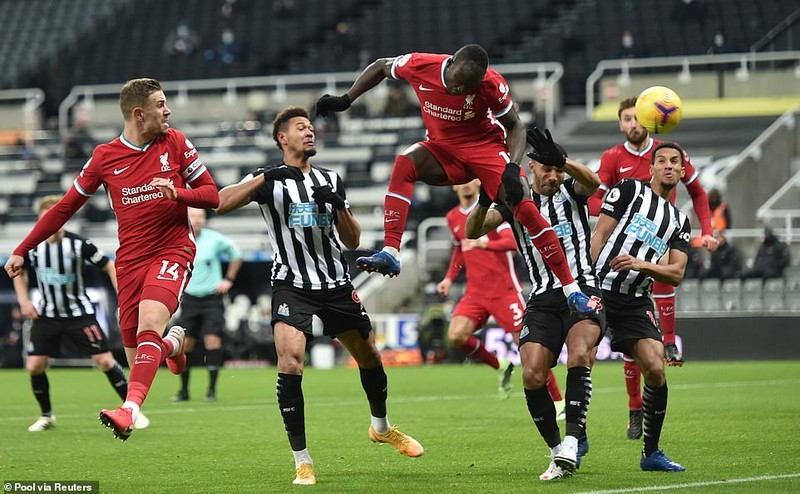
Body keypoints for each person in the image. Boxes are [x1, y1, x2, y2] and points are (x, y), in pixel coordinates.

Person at [215, 106, 423, 486]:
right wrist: (264, 176)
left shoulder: (330, 178)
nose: (310, 132)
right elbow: (220, 202)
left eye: (311, 127)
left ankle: (381, 427)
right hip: (292, 285)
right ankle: (303, 460)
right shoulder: (269, 180)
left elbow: (353, 240)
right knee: (291, 362)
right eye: (300, 128)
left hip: (336, 284)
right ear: (282, 138)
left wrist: (338, 204)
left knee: (370, 356)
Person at [4, 78, 220, 441]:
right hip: (130, 262)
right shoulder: (105, 157)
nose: (168, 111)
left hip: (172, 250)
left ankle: (128, 410)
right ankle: (173, 344)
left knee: (150, 322)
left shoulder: (177, 143)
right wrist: (22, 249)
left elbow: (212, 195)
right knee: (139, 358)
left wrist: (178, 193)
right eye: (161, 104)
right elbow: (63, 209)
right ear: (140, 113)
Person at [315, 44, 598, 319]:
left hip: (485, 149)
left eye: (468, 88)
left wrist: (512, 168)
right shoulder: (420, 65)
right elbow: (379, 66)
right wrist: (347, 99)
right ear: (450, 65)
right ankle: (391, 250)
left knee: (524, 207)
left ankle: (571, 290)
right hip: (443, 149)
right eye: (458, 83)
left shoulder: (491, 83)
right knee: (405, 163)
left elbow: (515, 126)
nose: (460, 91)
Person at [468, 128, 605, 480]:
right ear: (531, 168)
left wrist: (565, 162)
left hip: (583, 287)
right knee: (532, 374)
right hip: (543, 297)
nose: (553, 176)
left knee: (579, 354)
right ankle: (557, 450)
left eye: (557, 169)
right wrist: (485, 198)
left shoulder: (571, 192)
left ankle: (574, 439)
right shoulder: (516, 200)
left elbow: (593, 183)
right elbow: (473, 230)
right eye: (547, 169)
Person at [587, 96, 718, 439]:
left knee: (648, 351)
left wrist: (709, 232)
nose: (633, 124)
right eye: (626, 119)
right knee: (584, 352)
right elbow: (596, 204)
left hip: (659, 243)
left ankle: (668, 342)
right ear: (620, 124)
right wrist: (616, 212)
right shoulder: (617, 164)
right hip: (616, 257)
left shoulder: (667, 155)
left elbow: (699, 192)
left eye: (636, 117)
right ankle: (602, 421)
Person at [591, 142, 692, 472]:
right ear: (650, 169)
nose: (667, 166)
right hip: (602, 289)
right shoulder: (628, 190)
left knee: (656, 368)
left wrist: (641, 265)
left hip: (635, 300)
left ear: (681, 171)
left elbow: (676, 274)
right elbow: (599, 236)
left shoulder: (679, 221)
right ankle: (574, 440)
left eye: (674, 162)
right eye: (661, 160)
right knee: (582, 357)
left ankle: (651, 453)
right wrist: (586, 280)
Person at [12, 195, 148, 432]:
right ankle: (47, 416)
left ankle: (132, 410)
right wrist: (24, 301)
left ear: (62, 220)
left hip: (79, 314)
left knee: (104, 360)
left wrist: (123, 295)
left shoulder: (79, 245)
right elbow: (19, 271)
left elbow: (109, 265)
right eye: (45, 220)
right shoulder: (33, 248)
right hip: (47, 315)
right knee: (34, 365)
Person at [437, 178, 566, 404]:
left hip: (504, 291)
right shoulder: (452, 218)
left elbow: (511, 242)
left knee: (528, 347)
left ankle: (558, 402)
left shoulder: (492, 212)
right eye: (462, 182)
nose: (466, 185)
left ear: (479, 183)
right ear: (454, 186)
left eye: (471, 181)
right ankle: (500, 365)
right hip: (475, 292)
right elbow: (459, 249)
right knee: (456, 336)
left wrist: (484, 244)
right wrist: (448, 278)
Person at [172, 207, 243, 403]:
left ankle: (211, 390)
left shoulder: (214, 239)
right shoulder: (179, 238)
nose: (197, 220)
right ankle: (184, 390)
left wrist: (228, 279)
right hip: (190, 298)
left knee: (213, 341)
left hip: (212, 298)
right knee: (186, 344)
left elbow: (237, 254)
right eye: (193, 216)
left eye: (201, 216)